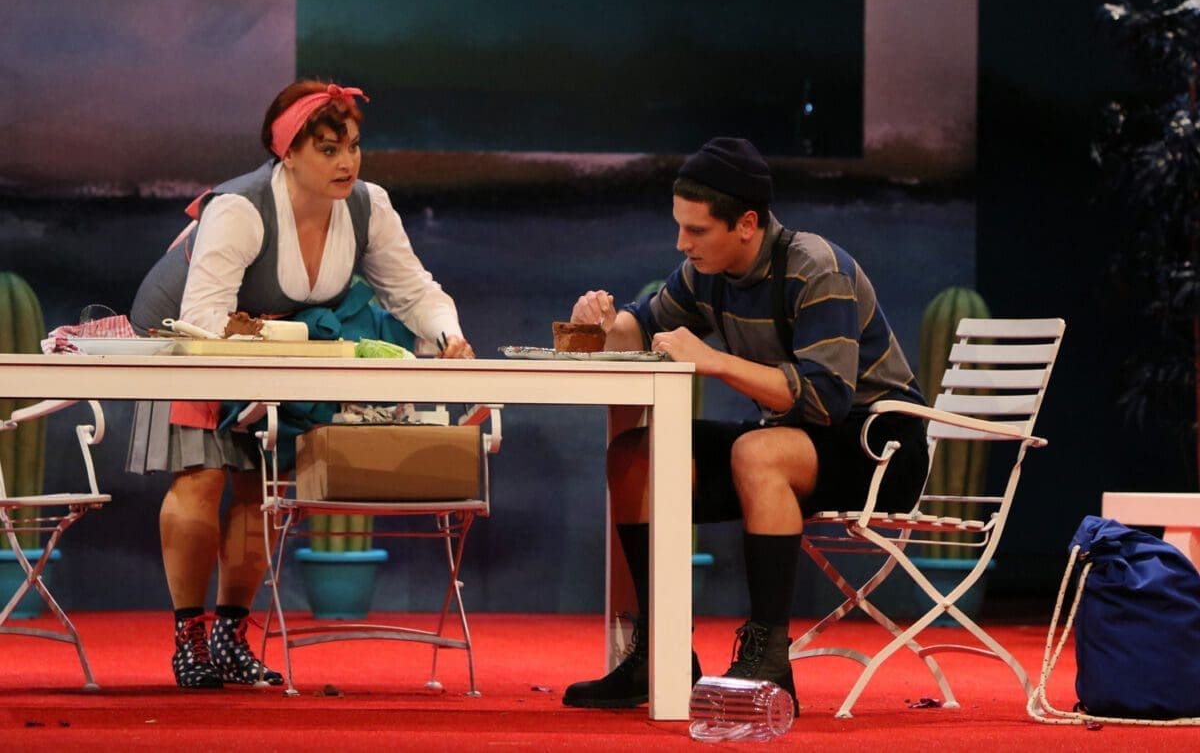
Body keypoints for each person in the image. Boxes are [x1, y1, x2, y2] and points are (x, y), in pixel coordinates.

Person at [127, 80, 475, 689]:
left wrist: (449, 335)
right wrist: (278, 347)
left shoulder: (368, 206)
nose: (347, 162)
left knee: (259, 486)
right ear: (287, 152)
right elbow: (205, 315)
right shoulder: (240, 209)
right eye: (328, 149)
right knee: (203, 476)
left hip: (270, 352)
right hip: (188, 339)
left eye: (353, 146)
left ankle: (231, 636)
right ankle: (190, 639)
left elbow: (412, 290)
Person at [561, 137, 929, 712]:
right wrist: (604, 325)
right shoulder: (706, 271)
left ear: (747, 224)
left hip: (878, 442)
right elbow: (644, 326)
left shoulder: (817, 268)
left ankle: (769, 662)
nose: (682, 243)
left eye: (697, 230)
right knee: (634, 454)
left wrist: (712, 360)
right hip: (790, 435)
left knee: (758, 451)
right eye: (679, 227)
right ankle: (660, 654)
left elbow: (826, 399)